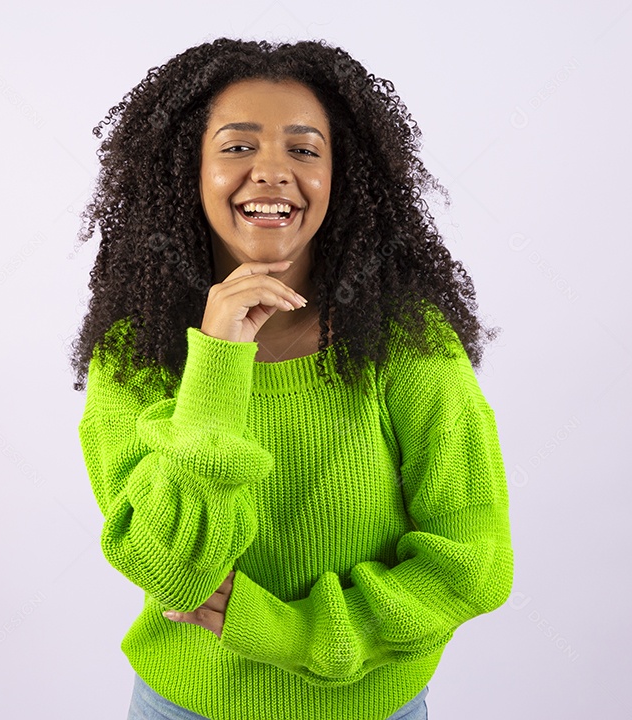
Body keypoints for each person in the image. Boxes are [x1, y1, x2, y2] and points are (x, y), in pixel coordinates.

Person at [72, 37, 514, 720]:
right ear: (187, 171)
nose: (273, 171)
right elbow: (171, 572)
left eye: (304, 150)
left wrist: (285, 630)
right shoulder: (135, 355)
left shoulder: (409, 344)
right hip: (185, 706)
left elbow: (472, 564)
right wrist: (217, 362)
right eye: (238, 147)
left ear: (345, 178)